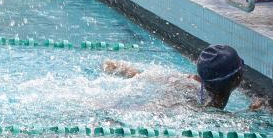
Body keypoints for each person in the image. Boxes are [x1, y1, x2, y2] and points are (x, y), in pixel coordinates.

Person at [101, 44, 258, 111]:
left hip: (165, 96)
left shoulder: (191, 80)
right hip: (164, 110)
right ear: (237, 79)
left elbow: (149, 76)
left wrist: (128, 71)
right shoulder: (210, 106)